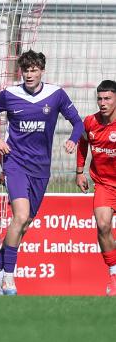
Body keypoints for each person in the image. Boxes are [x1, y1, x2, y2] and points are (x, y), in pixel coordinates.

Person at [0, 50, 83, 295]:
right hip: (15, 164)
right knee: (20, 216)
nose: (29, 74)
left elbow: (78, 122)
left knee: (24, 223)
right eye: (25, 70)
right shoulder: (9, 94)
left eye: (34, 70)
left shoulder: (56, 94)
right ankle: (8, 278)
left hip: (41, 168)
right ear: (21, 72)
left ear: (41, 71)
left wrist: (73, 139)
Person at [75, 80, 116, 296]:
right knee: (102, 226)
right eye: (100, 98)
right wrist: (79, 171)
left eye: (108, 98)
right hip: (104, 184)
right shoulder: (90, 122)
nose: (103, 103)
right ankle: (114, 275)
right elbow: (83, 144)